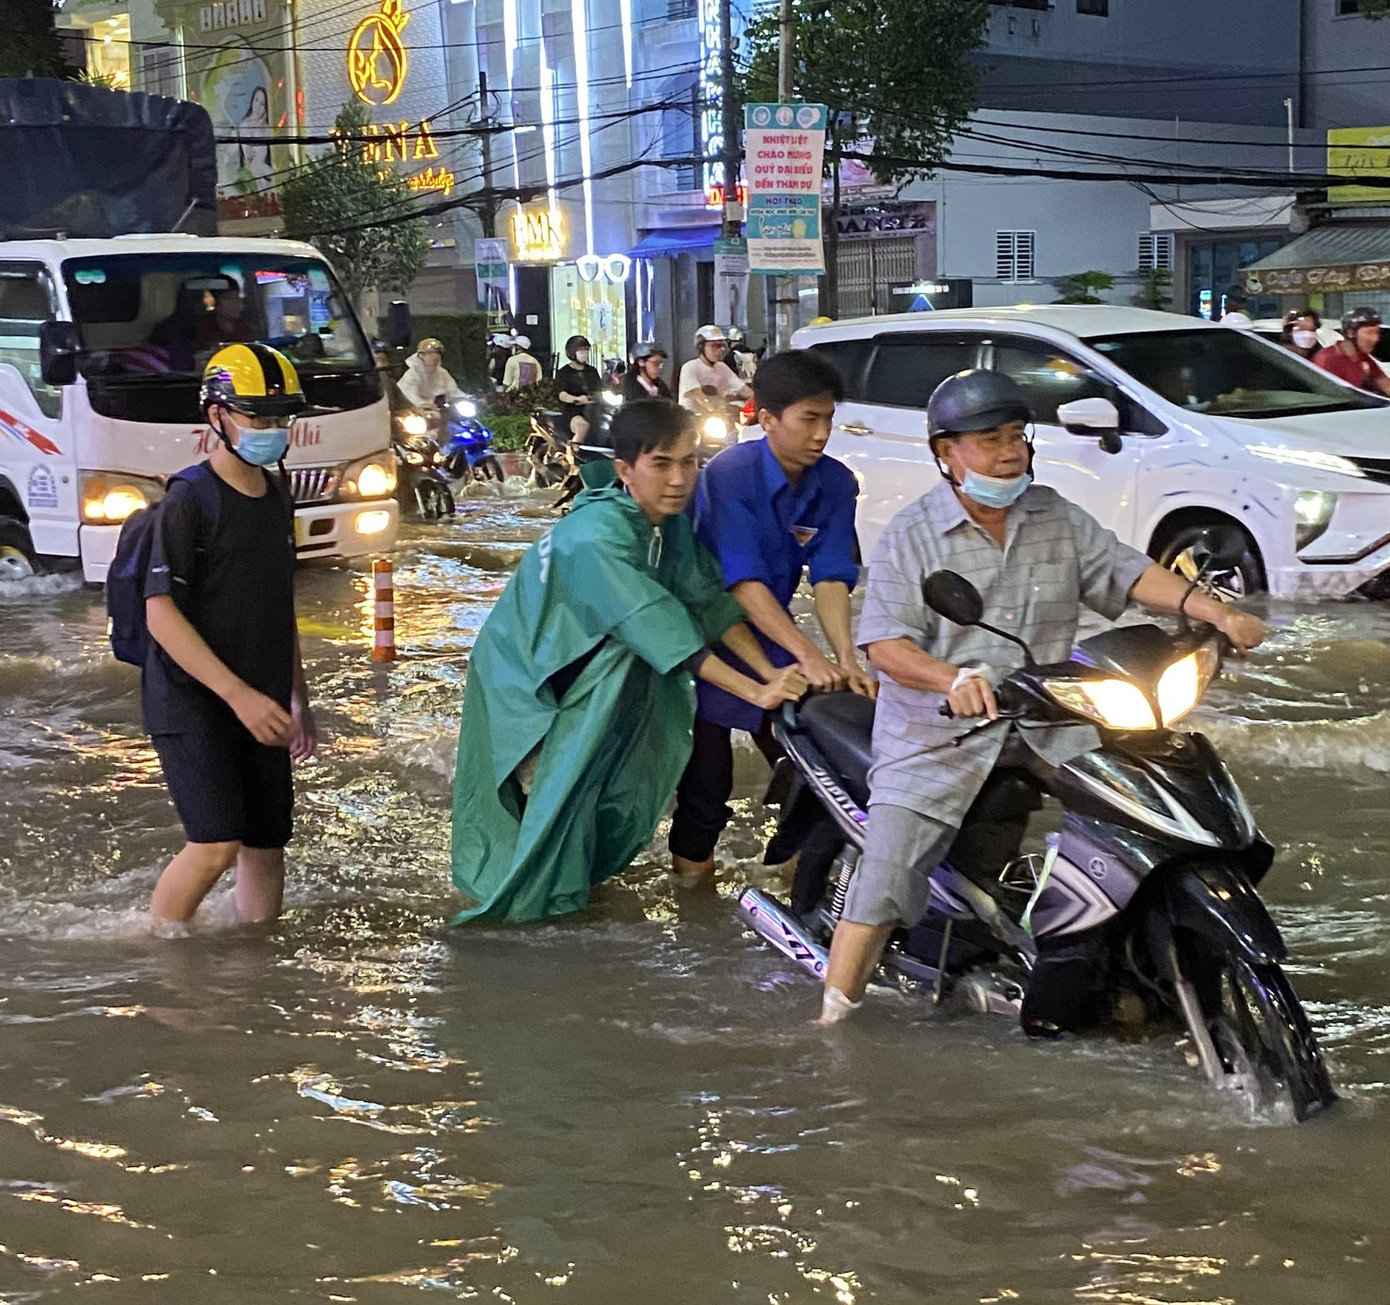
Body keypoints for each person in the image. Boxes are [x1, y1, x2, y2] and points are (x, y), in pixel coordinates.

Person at [818, 369, 1267, 1023]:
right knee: (890, 867)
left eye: (1016, 437)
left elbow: (1127, 570)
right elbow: (885, 646)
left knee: (1147, 793)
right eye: (990, 439)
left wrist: (1216, 612)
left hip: (1048, 719)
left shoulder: (1053, 513)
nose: (1010, 452)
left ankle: (1121, 944)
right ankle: (832, 1020)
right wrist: (951, 678)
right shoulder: (911, 535)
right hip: (940, 733)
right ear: (947, 453)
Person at [450, 399, 808, 923]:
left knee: (583, 805)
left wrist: (772, 671)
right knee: (540, 816)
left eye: (689, 462)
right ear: (625, 470)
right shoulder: (595, 538)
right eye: (661, 464)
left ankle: (570, 910)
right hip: (533, 683)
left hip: (587, 678)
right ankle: (529, 936)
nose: (680, 478)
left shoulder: (667, 526)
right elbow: (665, 630)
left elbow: (709, 603)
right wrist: (756, 691)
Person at [668, 350, 876, 879]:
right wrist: (808, 653)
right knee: (707, 776)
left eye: (828, 418)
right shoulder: (731, 474)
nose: (822, 433)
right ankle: (693, 886)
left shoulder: (835, 483)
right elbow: (740, 582)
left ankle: (799, 881)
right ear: (767, 419)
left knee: (811, 756)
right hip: (699, 627)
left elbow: (831, 574)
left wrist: (845, 658)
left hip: (767, 627)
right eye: (809, 419)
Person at [142, 343, 317, 934]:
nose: (272, 430)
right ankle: (158, 960)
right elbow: (161, 613)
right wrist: (237, 695)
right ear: (217, 416)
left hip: (263, 700)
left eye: (281, 418)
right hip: (193, 700)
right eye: (257, 417)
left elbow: (278, 605)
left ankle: (254, 973)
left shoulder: (276, 497)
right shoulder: (190, 498)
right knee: (216, 844)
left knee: (267, 844)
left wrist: (298, 698)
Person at [1312, 306, 1390, 396]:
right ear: (1351, 333)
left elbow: (1383, 382)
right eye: (1369, 332)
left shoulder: (1362, 357)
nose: (1375, 338)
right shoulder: (1327, 359)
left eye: (1377, 332)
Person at [678, 325, 751, 416]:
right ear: (701, 347)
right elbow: (697, 393)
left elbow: (742, 389)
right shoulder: (690, 367)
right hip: (694, 419)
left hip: (717, 419)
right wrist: (713, 409)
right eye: (714, 346)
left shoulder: (722, 367)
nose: (719, 350)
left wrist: (757, 400)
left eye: (721, 346)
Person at [555, 334, 602, 441]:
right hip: (574, 411)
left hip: (595, 410)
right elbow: (562, 394)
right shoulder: (564, 372)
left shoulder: (592, 371)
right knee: (582, 427)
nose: (585, 353)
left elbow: (600, 388)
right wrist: (576, 399)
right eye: (581, 350)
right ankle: (573, 453)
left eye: (586, 350)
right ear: (572, 351)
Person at [398, 337, 465, 409]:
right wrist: (422, 404)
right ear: (421, 355)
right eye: (430, 353)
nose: (435, 356)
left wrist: (467, 398)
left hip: (442, 410)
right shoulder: (412, 375)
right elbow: (409, 395)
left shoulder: (442, 373)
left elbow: (453, 391)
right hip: (418, 413)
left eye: (437, 353)